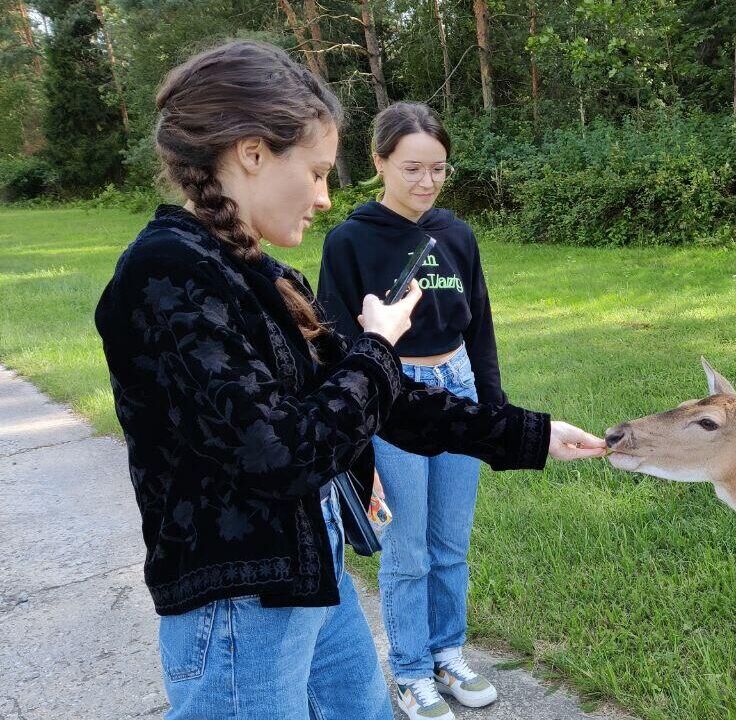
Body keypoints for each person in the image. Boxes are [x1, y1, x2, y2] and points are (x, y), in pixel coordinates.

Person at [93, 39, 605, 720]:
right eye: (316, 172)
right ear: (252, 153)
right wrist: (378, 347)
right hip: (241, 611)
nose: (325, 197)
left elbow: (380, 402)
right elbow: (280, 452)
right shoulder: (166, 276)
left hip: (313, 578)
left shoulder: (261, 272)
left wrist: (525, 435)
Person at [316, 102, 512, 718]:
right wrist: (359, 420)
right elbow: (335, 338)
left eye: (438, 168)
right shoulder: (350, 241)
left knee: (451, 541)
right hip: (394, 393)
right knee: (408, 548)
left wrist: (495, 407)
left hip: (457, 387)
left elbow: (478, 325)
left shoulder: (457, 234)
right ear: (379, 164)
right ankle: (408, 672)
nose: (426, 182)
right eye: (411, 168)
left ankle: (446, 652)